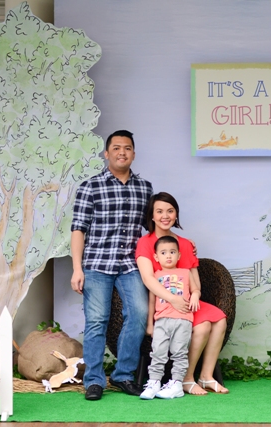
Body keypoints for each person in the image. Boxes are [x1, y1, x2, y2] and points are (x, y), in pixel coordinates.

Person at [71, 130, 153, 401]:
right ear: (106, 153)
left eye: (127, 148)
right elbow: (78, 229)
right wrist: (77, 268)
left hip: (131, 264)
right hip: (97, 263)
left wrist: (179, 243)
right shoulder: (90, 187)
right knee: (97, 321)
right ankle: (94, 381)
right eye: (116, 148)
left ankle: (123, 375)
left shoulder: (145, 188)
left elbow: (152, 228)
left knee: (139, 314)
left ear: (133, 154)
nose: (122, 152)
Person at [136, 192, 230, 395]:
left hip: (186, 301)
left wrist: (194, 295)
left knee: (220, 319)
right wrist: (173, 299)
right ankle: (187, 379)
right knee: (203, 326)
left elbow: (193, 279)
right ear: (152, 216)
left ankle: (206, 376)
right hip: (163, 303)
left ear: (176, 214)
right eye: (159, 211)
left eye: (170, 211)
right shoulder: (145, 242)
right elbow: (148, 279)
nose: (165, 216)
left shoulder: (185, 244)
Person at [140, 235, 200, 400]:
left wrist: (195, 296)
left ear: (179, 255)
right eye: (164, 252)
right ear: (156, 257)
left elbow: (195, 289)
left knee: (179, 352)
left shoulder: (185, 272)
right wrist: (150, 324)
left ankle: (177, 384)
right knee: (158, 352)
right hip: (161, 320)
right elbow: (152, 301)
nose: (168, 256)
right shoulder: (155, 276)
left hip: (182, 320)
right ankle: (154, 382)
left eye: (172, 252)